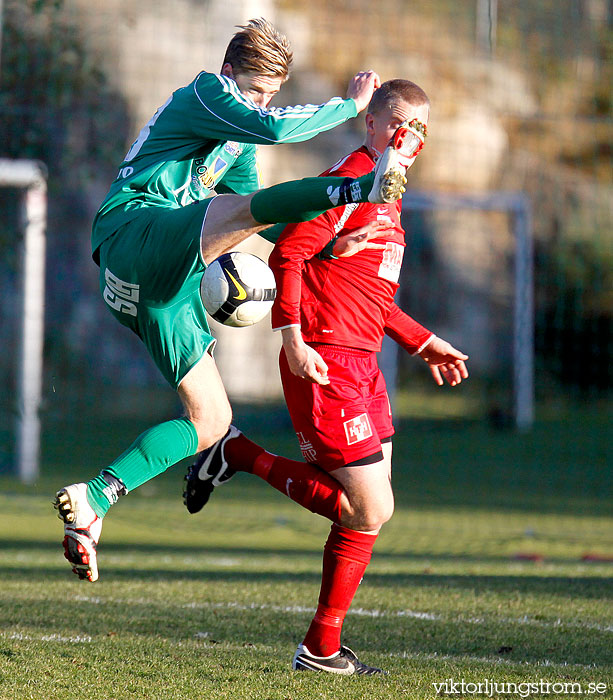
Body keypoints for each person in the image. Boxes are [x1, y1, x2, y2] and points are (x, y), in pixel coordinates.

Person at [53, 18, 409, 583]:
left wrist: (322, 251)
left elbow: (249, 216)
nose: (259, 102)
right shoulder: (204, 93)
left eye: (269, 94)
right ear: (228, 75)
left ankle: (94, 500)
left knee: (212, 419)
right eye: (253, 89)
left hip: (153, 289)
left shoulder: (236, 139)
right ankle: (359, 187)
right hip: (134, 231)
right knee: (256, 204)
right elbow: (269, 138)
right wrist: (348, 106)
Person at [183, 79, 469, 675]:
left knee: (364, 507)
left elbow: (368, 292)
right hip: (325, 359)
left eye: (419, 128)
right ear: (373, 124)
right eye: (399, 123)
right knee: (371, 508)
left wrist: (422, 341)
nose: (409, 136)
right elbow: (288, 251)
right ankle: (238, 456)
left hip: (364, 364)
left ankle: (321, 646)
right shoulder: (351, 178)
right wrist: (291, 337)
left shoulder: (386, 190)